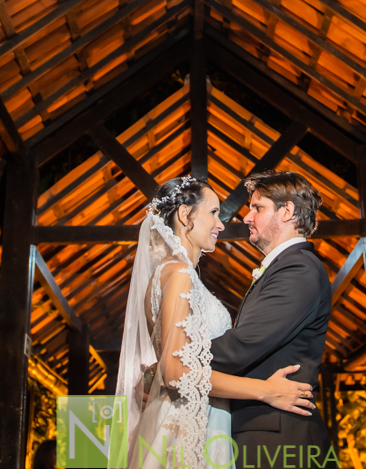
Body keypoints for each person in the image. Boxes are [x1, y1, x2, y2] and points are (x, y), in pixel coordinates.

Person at [115, 176, 317, 469]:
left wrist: (157, 371)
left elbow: (174, 364)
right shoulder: (179, 275)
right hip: (189, 424)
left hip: (200, 416)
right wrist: (264, 389)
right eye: (213, 213)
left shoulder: (174, 275)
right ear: (186, 215)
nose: (222, 224)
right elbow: (176, 369)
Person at [210, 171, 334, 469]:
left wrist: (174, 362)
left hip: (279, 437)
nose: (246, 218)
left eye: (257, 207)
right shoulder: (287, 266)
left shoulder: (298, 268)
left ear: (287, 211)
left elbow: (243, 345)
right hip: (265, 427)